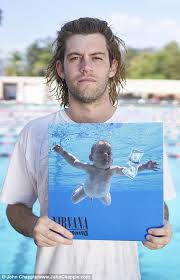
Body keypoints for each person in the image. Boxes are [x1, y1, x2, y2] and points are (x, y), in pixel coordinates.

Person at [0, 17, 176, 280]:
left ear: (112, 66)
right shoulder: (35, 132)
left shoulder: (142, 131)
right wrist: (33, 225)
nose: (86, 67)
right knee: (80, 193)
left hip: (121, 274)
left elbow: (156, 205)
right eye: (74, 58)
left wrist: (160, 226)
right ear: (61, 68)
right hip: (54, 273)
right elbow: (15, 206)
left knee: (105, 199)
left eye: (96, 57)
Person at [52, 140, 159, 205]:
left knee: (108, 203)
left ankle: (107, 192)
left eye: (109, 153)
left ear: (112, 159)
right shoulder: (89, 167)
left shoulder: (113, 170)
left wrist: (144, 166)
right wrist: (62, 152)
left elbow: (130, 171)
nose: (106, 155)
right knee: (74, 200)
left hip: (102, 194)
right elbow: (74, 162)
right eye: (100, 152)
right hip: (86, 191)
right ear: (91, 157)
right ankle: (80, 187)